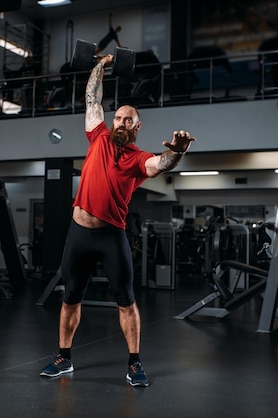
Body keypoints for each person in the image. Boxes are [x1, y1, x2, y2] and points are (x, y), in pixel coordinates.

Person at [39, 54, 195, 387]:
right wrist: (101, 65)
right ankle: (63, 358)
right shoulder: (98, 137)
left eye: (129, 120)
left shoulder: (139, 160)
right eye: (119, 117)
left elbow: (161, 164)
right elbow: (92, 97)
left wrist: (178, 153)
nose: (122, 122)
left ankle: (135, 364)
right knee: (70, 299)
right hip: (78, 234)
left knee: (126, 301)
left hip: (112, 237)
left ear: (137, 127)